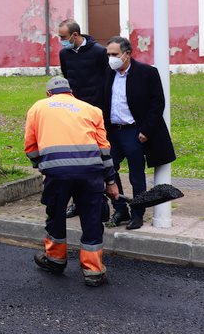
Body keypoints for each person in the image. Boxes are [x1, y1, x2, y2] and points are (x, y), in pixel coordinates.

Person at [25, 76, 118, 287]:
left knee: (56, 215)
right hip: (91, 174)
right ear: (71, 92)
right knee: (92, 219)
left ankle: (55, 260)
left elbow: (31, 145)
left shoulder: (38, 108)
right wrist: (110, 181)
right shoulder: (91, 109)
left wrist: (40, 164)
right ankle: (93, 271)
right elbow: (104, 149)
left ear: (49, 93)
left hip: (57, 175)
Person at [103, 37, 176, 230]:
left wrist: (146, 130)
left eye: (114, 54)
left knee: (137, 176)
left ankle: (137, 213)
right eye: (108, 54)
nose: (111, 58)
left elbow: (157, 103)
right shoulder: (108, 74)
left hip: (133, 131)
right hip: (113, 132)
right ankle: (120, 209)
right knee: (107, 170)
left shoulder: (146, 73)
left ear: (127, 54)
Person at [56, 19, 109, 219]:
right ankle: (77, 203)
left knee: (98, 158)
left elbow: (106, 81)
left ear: (75, 35)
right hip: (72, 112)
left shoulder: (98, 52)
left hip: (95, 112)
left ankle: (103, 204)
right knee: (74, 158)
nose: (61, 41)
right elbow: (67, 77)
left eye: (63, 37)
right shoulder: (64, 54)